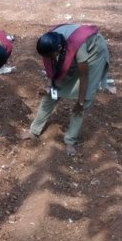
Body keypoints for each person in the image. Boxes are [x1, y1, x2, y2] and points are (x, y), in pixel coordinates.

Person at [20, 24, 110, 155]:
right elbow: (50, 65)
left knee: (83, 101)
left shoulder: (78, 48)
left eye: (52, 55)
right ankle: (34, 131)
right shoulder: (50, 41)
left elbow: (84, 76)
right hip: (73, 51)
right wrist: (49, 85)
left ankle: (70, 140)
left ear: (60, 49)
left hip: (95, 54)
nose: (50, 58)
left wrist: (80, 101)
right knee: (50, 94)